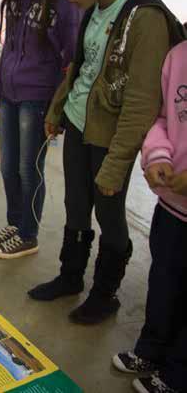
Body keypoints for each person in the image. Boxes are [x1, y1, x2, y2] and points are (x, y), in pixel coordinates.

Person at [27, 0, 185, 325]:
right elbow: (81, 68)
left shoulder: (145, 18)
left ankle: (105, 293)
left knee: (109, 213)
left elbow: (141, 104)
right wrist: (57, 110)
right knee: (76, 206)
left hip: (112, 137)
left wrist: (116, 165)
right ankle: (70, 275)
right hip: (81, 125)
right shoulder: (93, 8)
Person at [0, 0, 80, 259]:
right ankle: (16, 223)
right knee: (7, 166)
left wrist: (59, 109)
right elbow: (10, 45)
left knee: (30, 168)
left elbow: (71, 56)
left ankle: (29, 233)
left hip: (38, 98)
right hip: (10, 93)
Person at [112, 41, 187, 393]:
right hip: (172, 205)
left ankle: (177, 376)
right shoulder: (177, 56)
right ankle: (151, 350)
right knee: (163, 283)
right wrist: (158, 155)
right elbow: (161, 117)